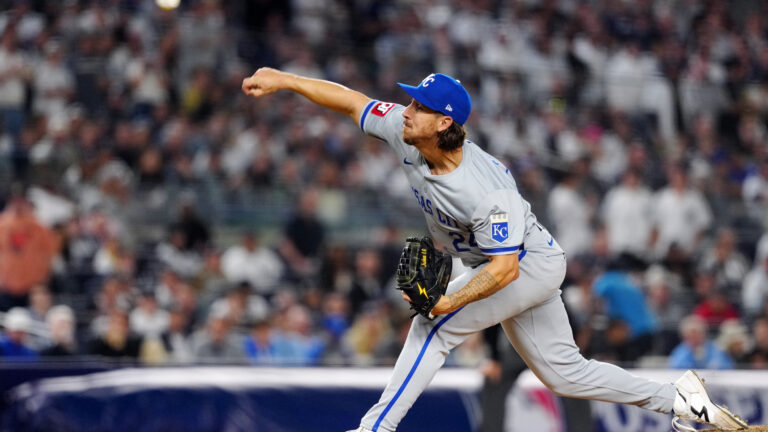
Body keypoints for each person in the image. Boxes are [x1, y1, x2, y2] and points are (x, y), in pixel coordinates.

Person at [241, 68, 747, 431]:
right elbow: (350, 99)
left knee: (432, 326)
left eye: (418, 105)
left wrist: (448, 302)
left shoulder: (485, 190)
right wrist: (285, 79)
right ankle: (679, 399)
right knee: (563, 373)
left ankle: (376, 428)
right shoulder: (408, 132)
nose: (406, 110)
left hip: (526, 264)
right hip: (499, 261)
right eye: (410, 102)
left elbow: (504, 270)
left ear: (444, 123)